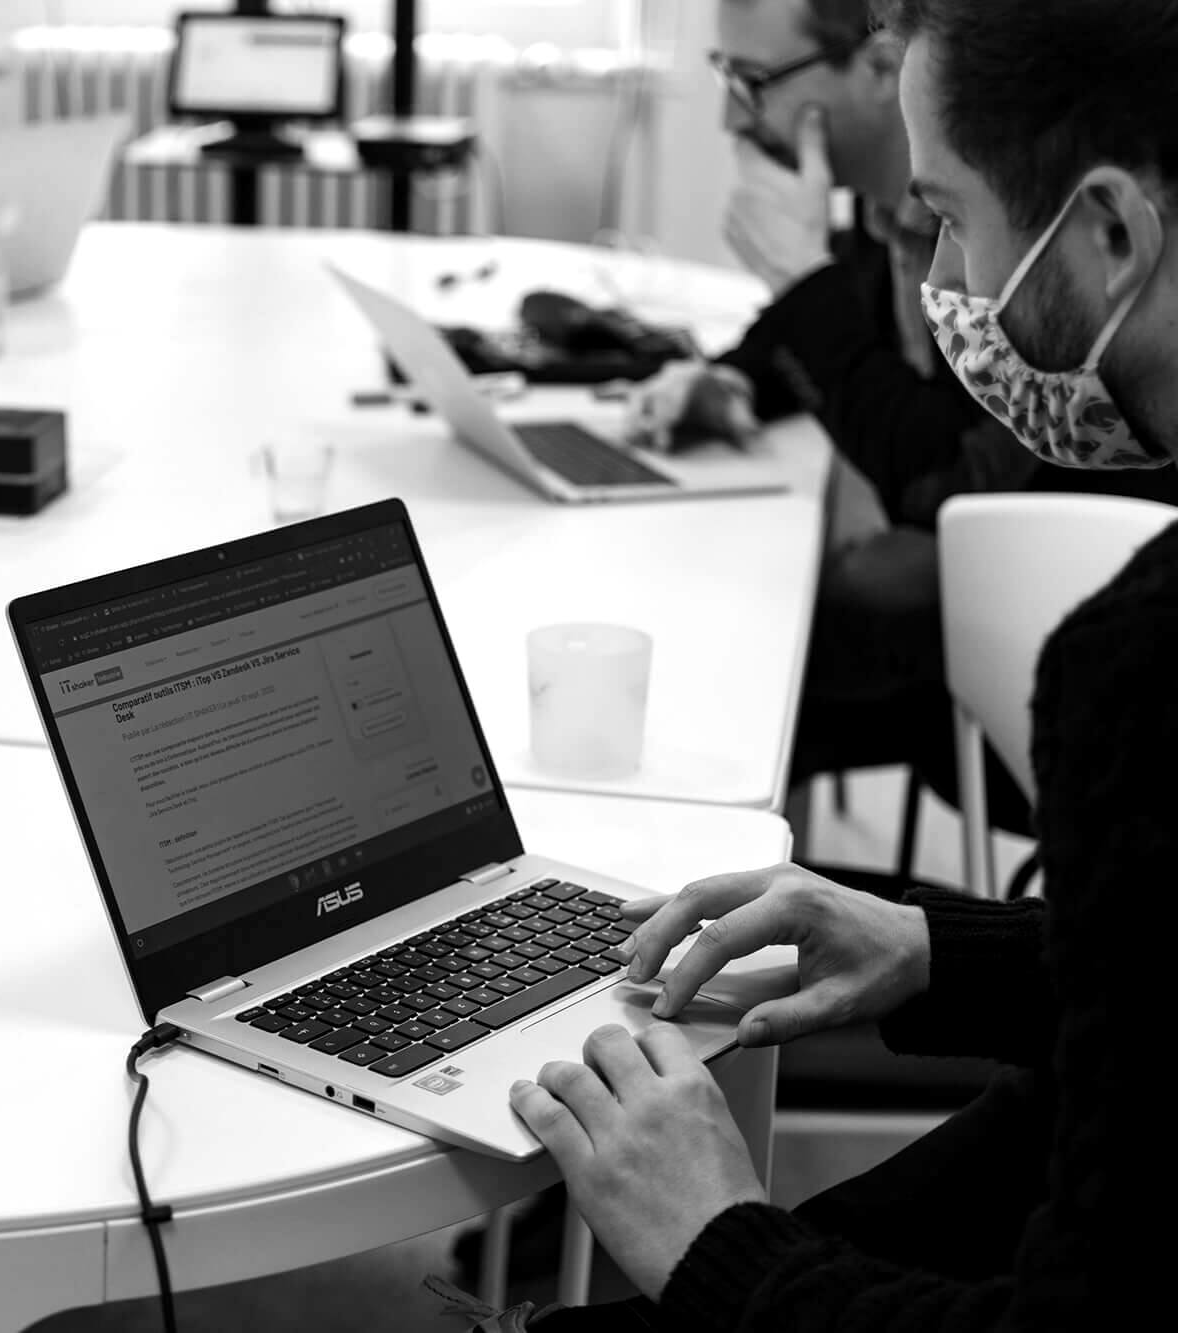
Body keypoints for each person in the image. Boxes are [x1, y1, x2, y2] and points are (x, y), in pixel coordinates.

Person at [474, 0, 1178, 1327]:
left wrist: (718, 1241)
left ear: (1111, 231)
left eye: (951, 223)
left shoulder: (1142, 672)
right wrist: (934, 948)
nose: (949, 285)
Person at [625, 0, 1176, 832]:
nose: (945, 281)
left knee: (753, 647)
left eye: (753, 80)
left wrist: (801, 287)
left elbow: (941, 477)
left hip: (1031, 632)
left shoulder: (1124, 674)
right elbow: (848, 309)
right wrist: (739, 376)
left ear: (1115, 237)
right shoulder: (898, 216)